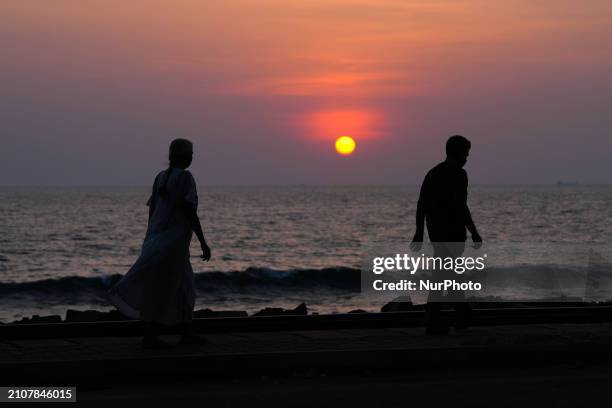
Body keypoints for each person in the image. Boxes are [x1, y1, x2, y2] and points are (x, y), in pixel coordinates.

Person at [109, 138, 211, 348]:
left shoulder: (160, 178)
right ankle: (182, 333)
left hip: (157, 239)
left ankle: (155, 334)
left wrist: (149, 237)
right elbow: (189, 210)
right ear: (183, 156)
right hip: (175, 244)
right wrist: (203, 242)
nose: (192, 158)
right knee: (183, 286)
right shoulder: (185, 178)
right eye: (190, 154)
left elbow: (153, 211)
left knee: (158, 286)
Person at [410, 135, 482, 335]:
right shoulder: (459, 174)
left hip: (437, 232)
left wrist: (419, 232)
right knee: (444, 275)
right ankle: (439, 320)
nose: (467, 157)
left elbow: (421, 205)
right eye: (466, 153)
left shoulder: (433, 173)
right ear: (457, 152)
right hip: (453, 233)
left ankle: (458, 316)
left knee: (446, 274)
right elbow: (461, 206)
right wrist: (473, 231)